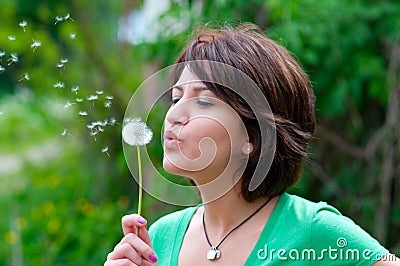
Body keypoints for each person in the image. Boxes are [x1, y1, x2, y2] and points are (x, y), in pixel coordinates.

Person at [105, 23, 399, 265]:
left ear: (254, 137)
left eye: (204, 101)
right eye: (177, 97)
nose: (174, 115)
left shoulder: (313, 231)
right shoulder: (159, 238)